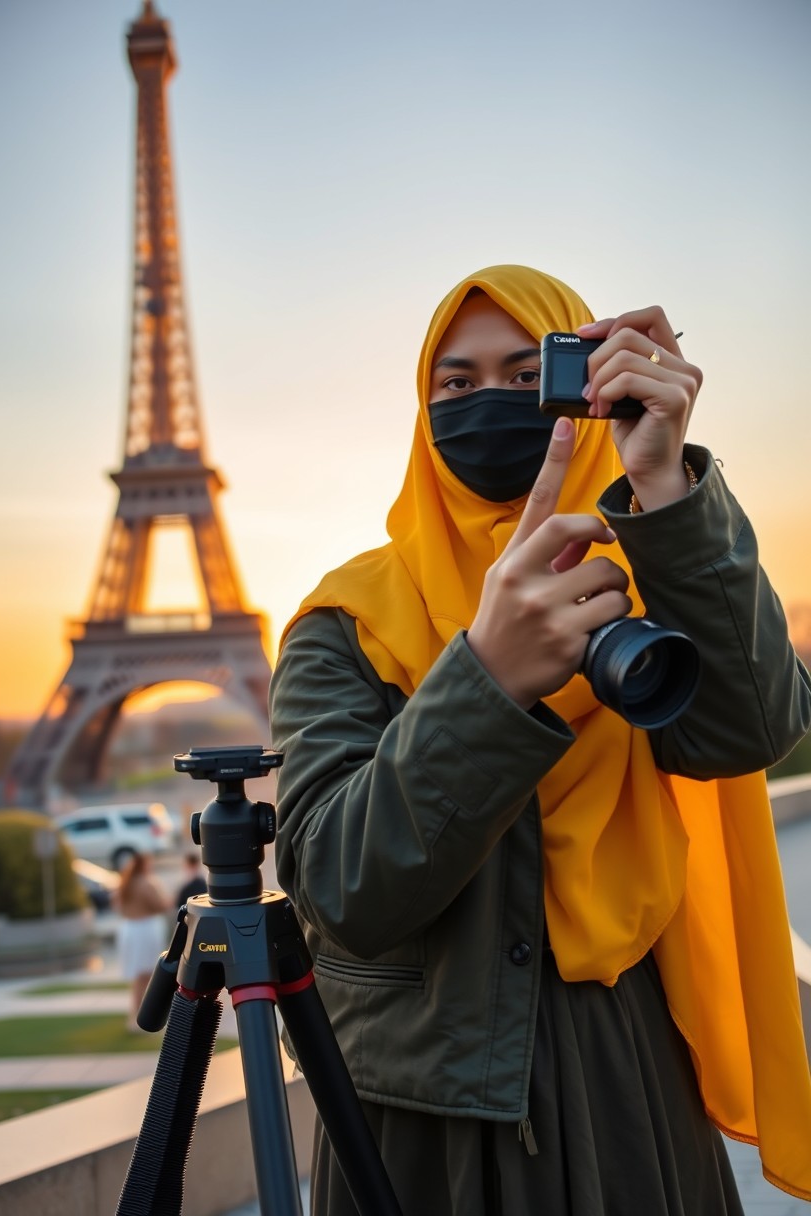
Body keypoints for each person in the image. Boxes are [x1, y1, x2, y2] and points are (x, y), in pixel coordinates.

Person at [268, 264, 811, 1215]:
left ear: (589, 388)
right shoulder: (348, 619)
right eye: (458, 383)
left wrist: (665, 484)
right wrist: (489, 670)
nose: (492, 403)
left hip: (632, 1070)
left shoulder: (645, 570)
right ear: (421, 409)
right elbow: (341, 887)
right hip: (429, 1115)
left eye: (529, 377)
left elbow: (752, 732)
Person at [113, 850, 170, 1030]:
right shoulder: (145, 883)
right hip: (144, 929)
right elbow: (161, 905)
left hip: (130, 928)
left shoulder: (125, 883)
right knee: (144, 975)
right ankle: (139, 1016)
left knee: (139, 976)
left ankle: (136, 1014)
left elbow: (117, 905)